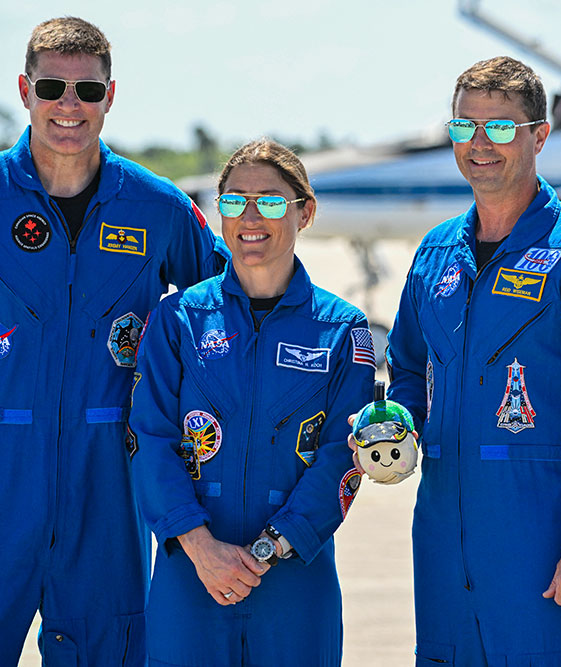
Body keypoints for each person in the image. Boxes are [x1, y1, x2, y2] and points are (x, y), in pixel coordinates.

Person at [0, 17, 227, 665]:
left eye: (87, 91)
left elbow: (230, 307)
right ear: (24, 89)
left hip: (109, 483)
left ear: (110, 96)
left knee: (111, 646)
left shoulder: (156, 207)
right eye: (52, 87)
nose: (69, 106)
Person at [381, 56, 561, 665]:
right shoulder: (434, 253)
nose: (480, 145)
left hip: (543, 537)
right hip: (443, 536)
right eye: (464, 127)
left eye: (501, 128)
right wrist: (397, 422)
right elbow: (406, 367)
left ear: (539, 135)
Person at [129, 138, 374, 666]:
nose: (250, 217)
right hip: (189, 572)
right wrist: (201, 548)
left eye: (269, 200)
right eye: (235, 201)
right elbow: (146, 439)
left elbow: (343, 453)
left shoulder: (344, 330)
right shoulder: (177, 320)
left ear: (304, 212)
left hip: (293, 576)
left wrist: (273, 547)